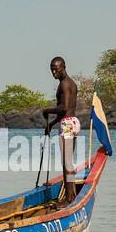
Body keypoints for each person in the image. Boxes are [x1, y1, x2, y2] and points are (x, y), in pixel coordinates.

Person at [41, 56, 79, 204]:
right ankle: (72, 194)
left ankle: (69, 198)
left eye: (56, 68)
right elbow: (67, 111)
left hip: (68, 125)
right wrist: (51, 124)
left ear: (64, 67)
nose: (54, 72)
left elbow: (63, 107)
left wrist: (47, 111)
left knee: (67, 163)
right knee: (68, 162)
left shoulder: (64, 84)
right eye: (52, 69)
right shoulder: (71, 83)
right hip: (72, 122)